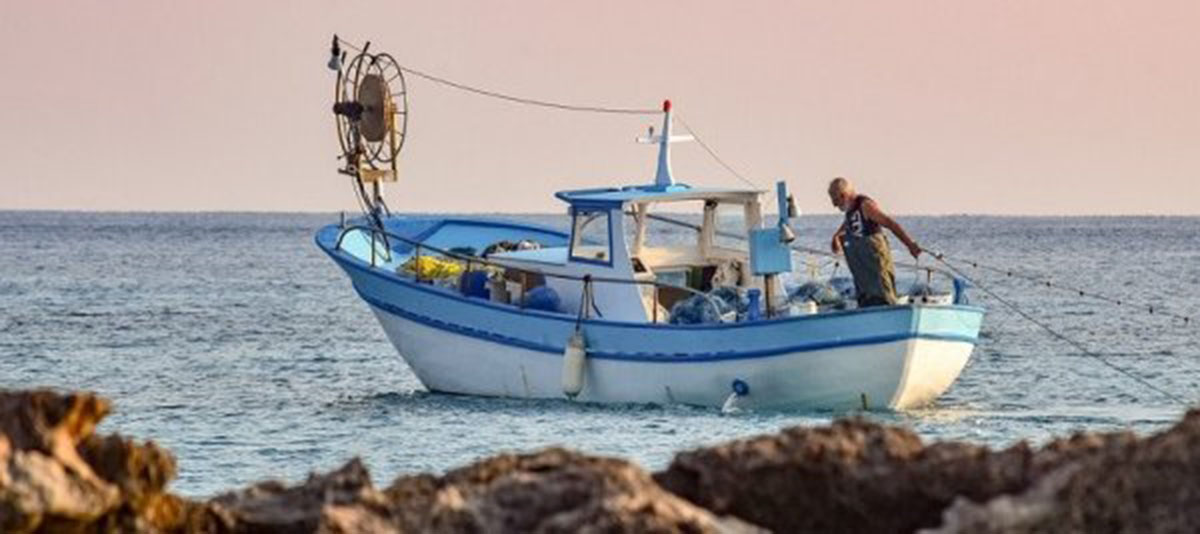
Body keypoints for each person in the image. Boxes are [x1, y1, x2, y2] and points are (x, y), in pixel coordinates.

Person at [827, 177, 921, 307]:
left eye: (836, 201)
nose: (835, 206)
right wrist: (836, 236)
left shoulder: (866, 206)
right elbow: (849, 222)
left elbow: (890, 223)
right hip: (861, 266)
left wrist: (910, 244)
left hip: (875, 259)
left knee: (883, 292)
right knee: (866, 296)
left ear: (844, 195)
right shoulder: (850, 210)